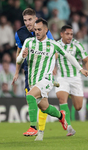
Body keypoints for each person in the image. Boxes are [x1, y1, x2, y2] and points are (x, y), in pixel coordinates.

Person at [16, 18, 88, 141]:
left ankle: (33, 127)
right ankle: (61, 116)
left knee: (30, 96)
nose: (37, 32)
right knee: (45, 107)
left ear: (46, 30)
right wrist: (22, 57)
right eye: (35, 30)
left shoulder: (53, 44)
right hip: (33, 81)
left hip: (47, 80)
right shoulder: (28, 42)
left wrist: (80, 69)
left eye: (39, 29)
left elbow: (69, 56)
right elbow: (18, 60)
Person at [36, 25, 88, 140]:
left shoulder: (77, 45)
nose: (70, 36)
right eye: (67, 34)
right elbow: (52, 56)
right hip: (61, 78)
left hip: (75, 78)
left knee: (78, 107)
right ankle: (68, 126)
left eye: (71, 34)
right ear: (62, 34)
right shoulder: (56, 45)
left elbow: (87, 60)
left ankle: (70, 95)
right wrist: (53, 66)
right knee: (62, 99)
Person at [12, 8, 54, 136]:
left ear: (35, 19)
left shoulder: (44, 31)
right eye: (25, 20)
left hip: (43, 71)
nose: (27, 23)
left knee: (34, 97)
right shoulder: (19, 34)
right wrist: (16, 71)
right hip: (28, 71)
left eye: (30, 19)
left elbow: (53, 49)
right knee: (40, 103)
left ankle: (36, 128)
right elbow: (19, 52)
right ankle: (60, 116)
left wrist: (52, 69)